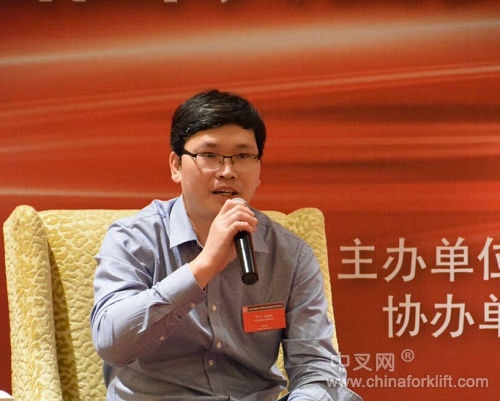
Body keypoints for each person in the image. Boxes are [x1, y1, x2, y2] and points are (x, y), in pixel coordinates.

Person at [91, 89, 362, 401]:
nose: (228, 171)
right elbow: (112, 343)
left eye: (243, 156)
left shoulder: (289, 253)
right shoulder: (134, 238)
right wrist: (204, 265)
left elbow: (316, 366)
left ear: (259, 169)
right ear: (176, 165)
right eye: (210, 155)